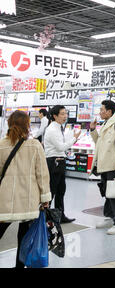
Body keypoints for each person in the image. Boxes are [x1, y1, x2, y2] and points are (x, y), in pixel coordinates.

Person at [0, 111, 51, 268]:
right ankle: (19, 266)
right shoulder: (35, 145)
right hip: (28, 199)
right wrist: (45, 198)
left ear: (9, 124)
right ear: (28, 125)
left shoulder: (1, 145)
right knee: (24, 236)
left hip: (5, 198)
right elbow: (42, 174)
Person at [90, 100, 115, 235]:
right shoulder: (106, 124)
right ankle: (109, 217)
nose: (100, 112)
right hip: (104, 164)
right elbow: (99, 144)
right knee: (107, 192)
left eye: (102, 110)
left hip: (113, 165)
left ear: (109, 111)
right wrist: (93, 130)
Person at [44, 105, 81, 223]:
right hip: (54, 162)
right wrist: (74, 139)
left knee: (61, 190)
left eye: (66, 113)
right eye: (62, 114)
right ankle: (44, 217)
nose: (65, 116)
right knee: (52, 190)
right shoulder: (52, 129)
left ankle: (60, 215)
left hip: (59, 161)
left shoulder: (59, 127)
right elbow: (61, 147)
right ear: (55, 116)